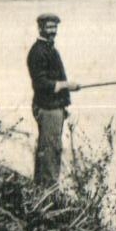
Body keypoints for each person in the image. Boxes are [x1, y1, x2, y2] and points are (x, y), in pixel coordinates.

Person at [27, 12, 80, 185]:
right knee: (51, 150)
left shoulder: (50, 50)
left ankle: (41, 188)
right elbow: (42, 83)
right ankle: (48, 192)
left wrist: (64, 105)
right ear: (40, 28)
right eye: (49, 27)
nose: (52, 31)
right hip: (48, 108)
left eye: (55, 27)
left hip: (55, 107)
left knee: (50, 148)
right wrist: (67, 86)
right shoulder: (37, 52)